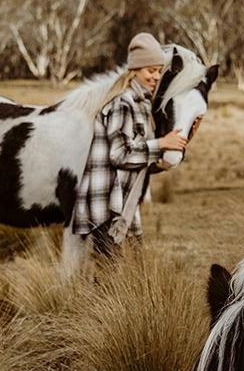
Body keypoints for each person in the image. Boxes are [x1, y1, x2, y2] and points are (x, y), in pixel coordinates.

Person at [69, 32, 189, 263]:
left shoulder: (140, 104)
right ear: (134, 70)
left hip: (123, 204)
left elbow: (134, 152)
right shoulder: (122, 103)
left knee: (124, 269)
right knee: (110, 273)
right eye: (150, 71)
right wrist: (162, 143)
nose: (155, 77)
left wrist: (159, 161)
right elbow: (119, 153)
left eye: (158, 71)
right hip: (105, 205)